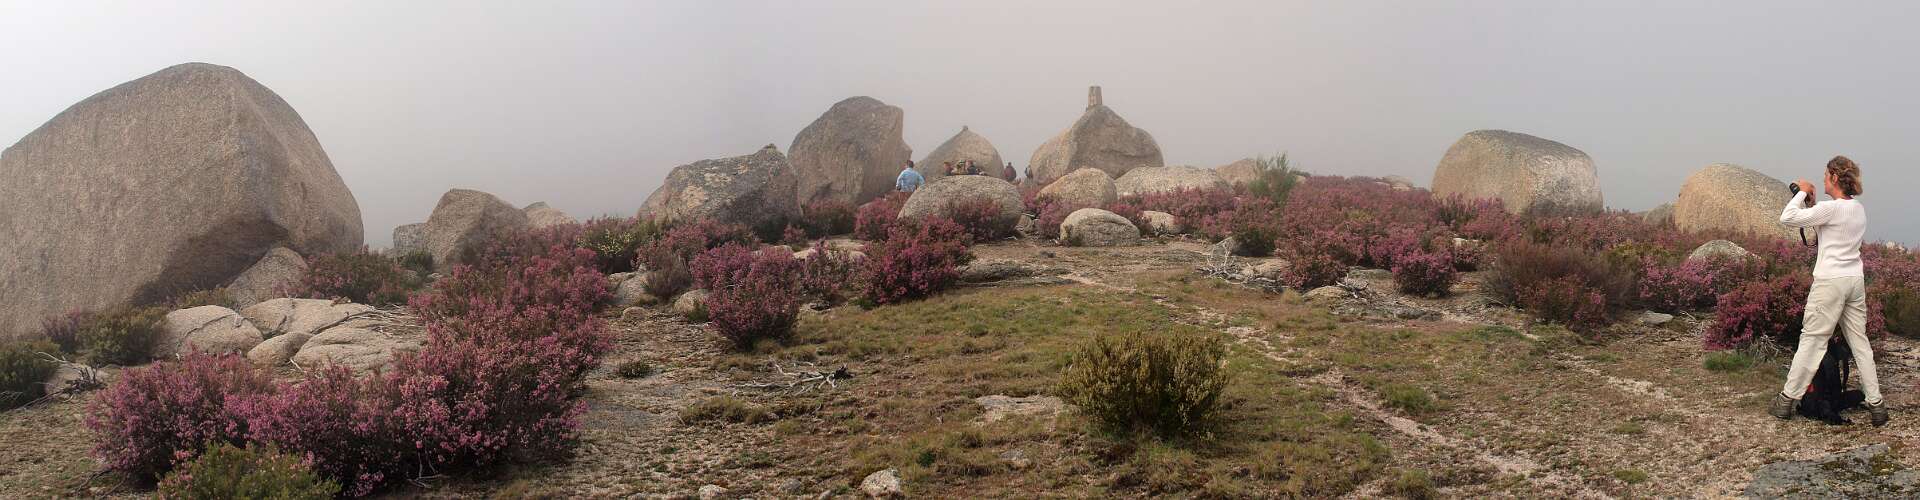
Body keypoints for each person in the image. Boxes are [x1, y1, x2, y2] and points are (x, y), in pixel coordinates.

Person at [1770, 155, 1885, 426]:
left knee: (1812, 340)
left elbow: (1787, 218)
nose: (1822, 179)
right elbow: (1829, 224)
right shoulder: (1857, 209)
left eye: (1825, 175)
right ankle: (1877, 404)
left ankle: (1786, 401)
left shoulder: (1831, 210)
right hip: (1854, 281)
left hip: (1830, 283)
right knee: (1860, 343)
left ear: (1834, 177)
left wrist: (1801, 193)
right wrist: (1812, 202)